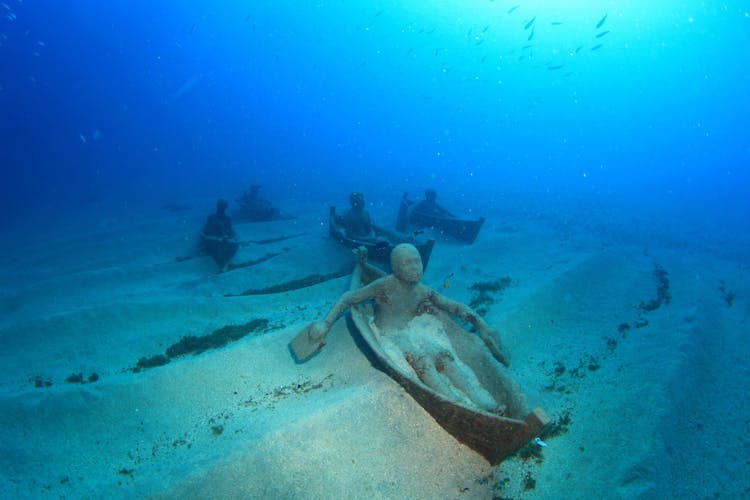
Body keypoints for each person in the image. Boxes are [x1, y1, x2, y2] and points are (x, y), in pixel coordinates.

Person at [303, 243, 511, 413]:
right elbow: (349, 298)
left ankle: (481, 402)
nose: (415, 267)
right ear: (395, 268)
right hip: (389, 334)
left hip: (413, 330)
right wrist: (326, 323)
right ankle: (456, 402)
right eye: (407, 263)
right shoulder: (384, 285)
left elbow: (453, 306)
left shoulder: (423, 291)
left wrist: (481, 324)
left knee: (444, 357)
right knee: (421, 361)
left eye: (417, 261)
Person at [200, 198, 239, 271]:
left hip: (224, 240)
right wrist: (215, 239)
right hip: (216, 240)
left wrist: (233, 238)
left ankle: (223, 261)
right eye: (221, 206)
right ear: (217, 206)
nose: (222, 208)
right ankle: (222, 262)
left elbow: (231, 231)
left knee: (230, 244)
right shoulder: (211, 218)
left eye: (224, 206)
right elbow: (205, 232)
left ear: (225, 207)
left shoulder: (228, 218)